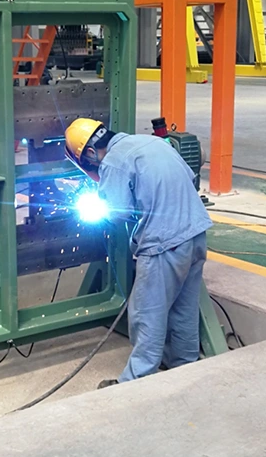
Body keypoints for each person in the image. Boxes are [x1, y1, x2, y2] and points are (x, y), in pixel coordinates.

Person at [64, 118, 212, 387]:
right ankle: (184, 368)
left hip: (165, 243)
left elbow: (116, 213)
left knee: (146, 315)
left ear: (90, 153)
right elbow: (187, 180)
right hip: (196, 233)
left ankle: (134, 382)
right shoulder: (152, 142)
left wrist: (101, 207)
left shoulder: (113, 162)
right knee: (184, 310)